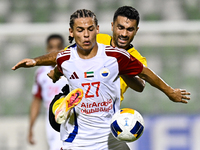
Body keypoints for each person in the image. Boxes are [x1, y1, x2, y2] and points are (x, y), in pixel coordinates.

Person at [13, 9, 190, 150]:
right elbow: (62, 57)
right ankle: (61, 105)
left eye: (129, 29)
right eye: (120, 27)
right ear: (111, 27)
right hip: (79, 136)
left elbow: (142, 78)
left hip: (108, 125)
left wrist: (169, 91)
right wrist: (42, 64)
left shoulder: (120, 56)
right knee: (63, 107)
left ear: (96, 29)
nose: (124, 33)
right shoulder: (80, 50)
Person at [28, 34, 69, 150]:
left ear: (63, 48)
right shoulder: (41, 73)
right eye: (51, 47)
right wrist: (31, 127)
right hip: (51, 118)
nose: (54, 50)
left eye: (58, 47)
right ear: (47, 49)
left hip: (71, 115)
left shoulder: (70, 69)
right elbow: (36, 100)